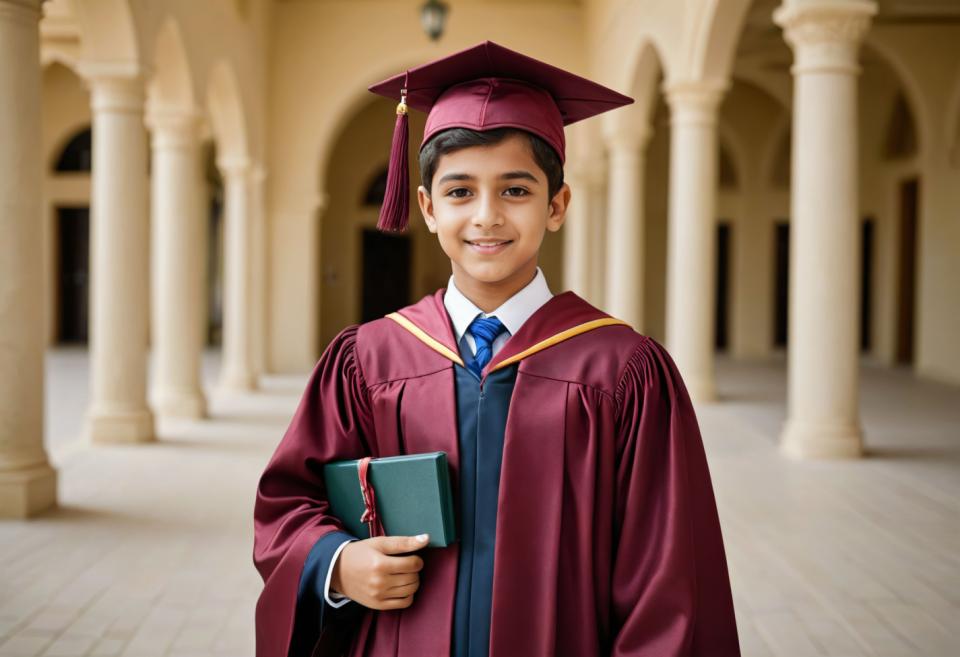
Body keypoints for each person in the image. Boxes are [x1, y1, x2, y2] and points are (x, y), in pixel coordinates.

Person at [253, 40, 740, 657]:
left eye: (515, 191)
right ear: (427, 208)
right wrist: (338, 564)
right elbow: (287, 505)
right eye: (459, 192)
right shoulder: (369, 359)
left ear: (556, 205)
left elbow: (669, 579)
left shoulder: (622, 371)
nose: (486, 216)